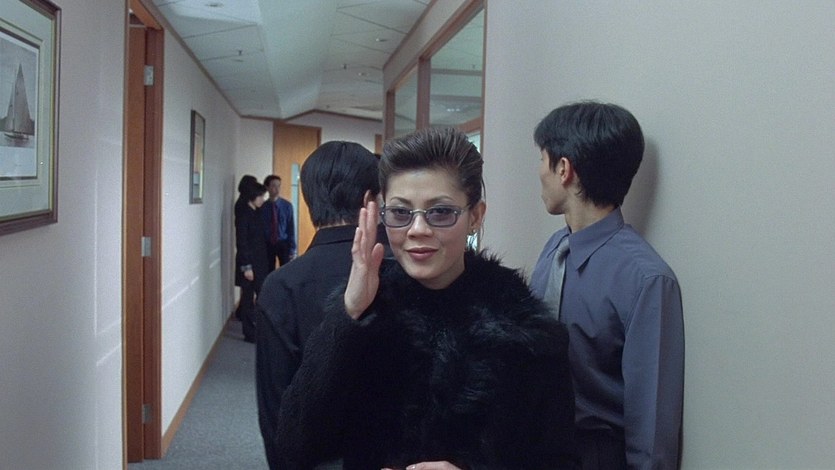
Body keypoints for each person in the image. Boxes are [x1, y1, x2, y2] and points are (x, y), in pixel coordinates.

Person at [274, 127, 578, 469]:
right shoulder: (363, 313)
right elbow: (293, 447)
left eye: (441, 212)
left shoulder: (522, 328)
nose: (418, 230)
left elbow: (558, 459)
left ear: (475, 216)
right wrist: (349, 313)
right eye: (400, 213)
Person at [530, 101, 684, 469]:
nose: (538, 172)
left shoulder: (646, 278)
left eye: (542, 159)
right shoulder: (555, 249)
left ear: (564, 169)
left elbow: (651, 431)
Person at [256, 141, 386, 469]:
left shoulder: (280, 286)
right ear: (370, 200)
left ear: (308, 200)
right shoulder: (399, 270)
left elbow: (275, 410)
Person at [234, 175, 269, 343]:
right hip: (249, 263)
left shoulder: (256, 212)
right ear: (252, 197)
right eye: (260, 196)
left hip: (260, 262)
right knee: (248, 298)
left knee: (260, 295)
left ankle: (258, 328)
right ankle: (249, 333)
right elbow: (242, 242)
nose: (263, 199)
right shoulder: (244, 214)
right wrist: (246, 267)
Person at [262, 174, 296, 271]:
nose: (277, 189)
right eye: (273, 186)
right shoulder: (263, 207)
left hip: (283, 242)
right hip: (268, 243)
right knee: (268, 270)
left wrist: (292, 248)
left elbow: (291, 227)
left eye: (278, 186)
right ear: (267, 187)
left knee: (285, 271)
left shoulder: (287, 206)